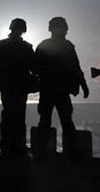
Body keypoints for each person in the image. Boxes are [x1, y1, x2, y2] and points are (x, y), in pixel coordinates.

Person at [34, 17, 89, 161]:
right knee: (59, 121)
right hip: (55, 90)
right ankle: (59, 152)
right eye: (60, 27)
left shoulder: (57, 46)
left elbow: (75, 67)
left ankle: (43, 151)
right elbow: (75, 68)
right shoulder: (63, 46)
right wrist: (83, 85)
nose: (62, 31)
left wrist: (83, 84)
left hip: (54, 90)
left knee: (57, 121)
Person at [0, 18, 35, 159]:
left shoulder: (3, 45)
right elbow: (34, 67)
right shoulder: (26, 47)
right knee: (18, 115)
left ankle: (8, 144)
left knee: (9, 114)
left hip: (8, 84)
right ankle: (16, 145)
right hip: (17, 85)